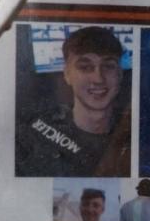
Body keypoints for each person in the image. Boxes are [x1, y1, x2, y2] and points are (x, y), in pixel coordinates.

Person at [17, 26, 131, 177]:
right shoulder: (31, 137)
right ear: (67, 75)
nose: (98, 78)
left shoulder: (138, 134)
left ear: (120, 74)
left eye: (108, 66)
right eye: (85, 67)